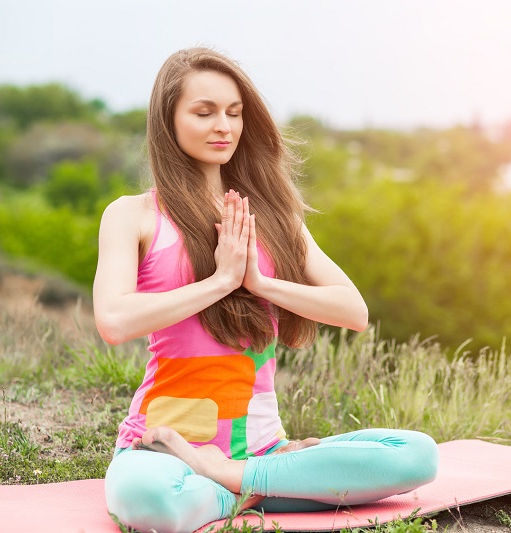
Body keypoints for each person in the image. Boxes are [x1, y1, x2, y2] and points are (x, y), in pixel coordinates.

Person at [93, 47, 439, 533]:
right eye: (204, 112)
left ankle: (229, 480)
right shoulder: (133, 215)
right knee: (145, 497)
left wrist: (260, 282)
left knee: (416, 456)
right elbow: (113, 321)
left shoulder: (275, 219)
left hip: (260, 450)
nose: (224, 127)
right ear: (167, 121)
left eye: (234, 113)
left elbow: (353, 310)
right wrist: (220, 282)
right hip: (165, 450)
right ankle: (264, 491)